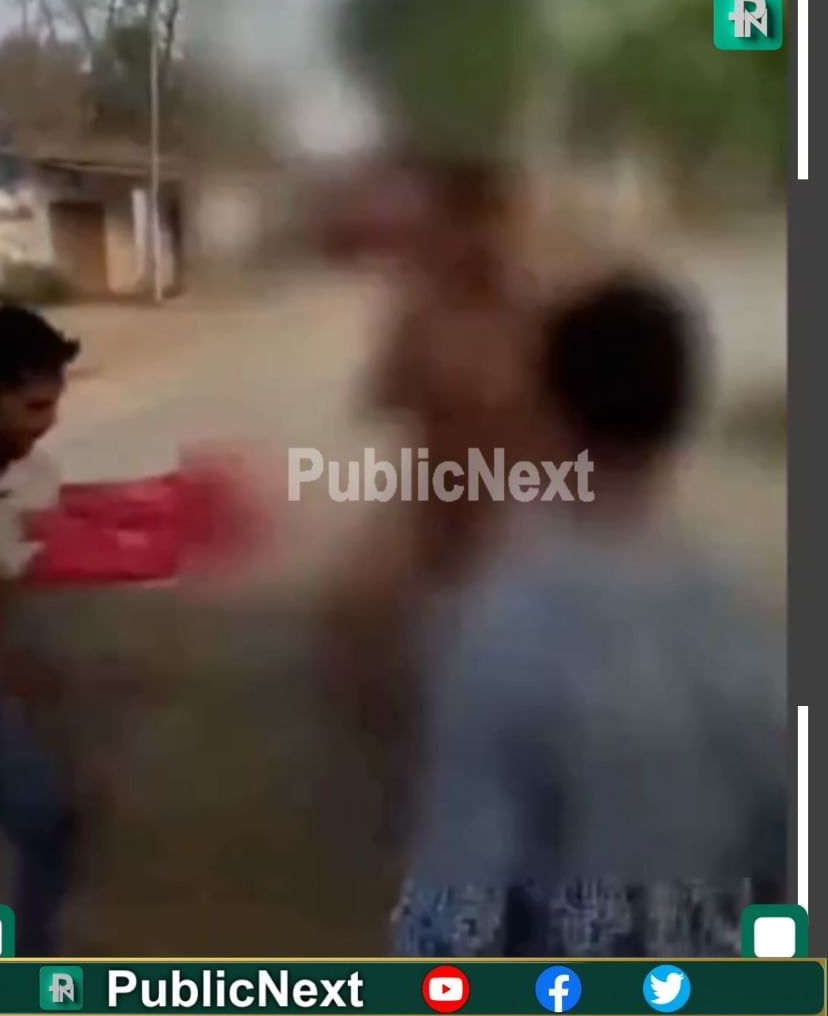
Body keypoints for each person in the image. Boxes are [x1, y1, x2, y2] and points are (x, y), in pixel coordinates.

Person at [392, 275, 787, 957]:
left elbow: (461, 901)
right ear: (682, 414)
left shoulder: (497, 627)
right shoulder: (746, 623)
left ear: (549, 413)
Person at [323, 162, 539, 838]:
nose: (463, 242)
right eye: (449, 227)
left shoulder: (536, 312)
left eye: (477, 225)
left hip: (518, 518)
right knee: (360, 636)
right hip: (435, 513)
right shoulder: (422, 310)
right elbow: (383, 395)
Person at [0, 304, 80, 955]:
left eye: (51, 406)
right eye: (32, 407)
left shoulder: (29, 479)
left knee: (47, 813)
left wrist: (4, 660)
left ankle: (30, 967)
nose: (46, 424)